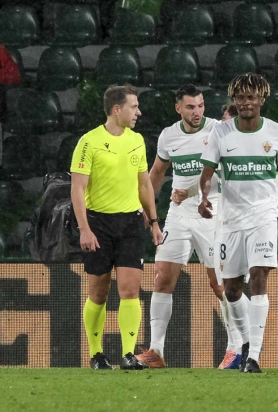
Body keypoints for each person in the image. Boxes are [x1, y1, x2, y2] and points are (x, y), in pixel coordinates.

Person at [198, 73, 278, 373]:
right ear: (234, 100)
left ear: (262, 99)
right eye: (240, 97)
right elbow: (207, 173)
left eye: (251, 97)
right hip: (230, 221)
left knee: (258, 277)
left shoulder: (277, 131)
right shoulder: (221, 133)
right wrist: (203, 197)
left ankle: (255, 355)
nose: (245, 102)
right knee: (230, 290)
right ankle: (245, 343)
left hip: (264, 217)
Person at [134, 86, 243, 370]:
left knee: (219, 284)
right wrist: (147, 210)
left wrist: (192, 192)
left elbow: (224, 174)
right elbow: (156, 172)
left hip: (212, 210)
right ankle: (156, 351)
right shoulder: (169, 135)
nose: (197, 112)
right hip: (179, 213)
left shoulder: (219, 131)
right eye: (191, 107)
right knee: (162, 278)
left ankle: (236, 347)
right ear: (178, 108)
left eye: (201, 106)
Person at [70, 84, 163, 370]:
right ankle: (97, 354)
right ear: (116, 109)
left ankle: (127, 354)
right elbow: (77, 187)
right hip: (98, 223)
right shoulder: (89, 141)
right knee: (98, 292)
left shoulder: (136, 141)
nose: (139, 112)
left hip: (131, 223)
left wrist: (154, 221)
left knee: (130, 290)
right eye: (133, 107)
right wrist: (85, 228)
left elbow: (144, 182)